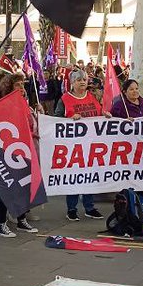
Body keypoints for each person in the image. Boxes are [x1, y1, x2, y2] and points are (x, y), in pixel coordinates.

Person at [0, 74, 39, 236]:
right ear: (9, 87)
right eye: (17, 85)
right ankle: (1, 223)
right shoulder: (3, 105)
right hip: (9, 151)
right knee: (8, 186)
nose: (21, 88)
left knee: (23, 186)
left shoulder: (24, 104)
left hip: (24, 149)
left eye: (22, 85)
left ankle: (21, 219)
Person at [56, 69, 103, 221]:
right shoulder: (65, 99)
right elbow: (56, 119)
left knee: (89, 177)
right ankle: (72, 208)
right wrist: (70, 119)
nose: (82, 81)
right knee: (74, 176)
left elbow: (98, 114)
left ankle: (89, 207)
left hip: (91, 144)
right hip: (73, 146)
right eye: (78, 80)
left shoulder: (91, 97)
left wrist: (105, 115)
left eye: (84, 79)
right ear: (72, 83)